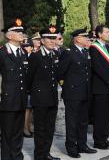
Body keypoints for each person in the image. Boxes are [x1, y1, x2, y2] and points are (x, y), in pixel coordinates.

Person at [57, 28, 97, 158]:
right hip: (73, 93)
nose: (87, 39)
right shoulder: (69, 53)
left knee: (83, 121)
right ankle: (71, 147)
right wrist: (67, 86)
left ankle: (82, 145)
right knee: (72, 122)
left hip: (85, 92)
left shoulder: (85, 52)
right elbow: (60, 73)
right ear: (77, 39)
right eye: (85, 37)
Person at [27, 25, 60, 160]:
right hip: (40, 99)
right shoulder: (36, 56)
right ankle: (39, 156)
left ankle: (46, 153)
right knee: (40, 129)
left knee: (50, 128)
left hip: (52, 97)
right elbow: (29, 78)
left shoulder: (55, 54)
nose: (53, 41)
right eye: (49, 39)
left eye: (54, 38)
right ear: (42, 40)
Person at [0, 18, 28, 160]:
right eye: (17, 31)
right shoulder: (2, 53)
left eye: (22, 31)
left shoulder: (23, 53)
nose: (21, 33)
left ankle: (17, 156)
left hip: (21, 98)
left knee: (18, 131)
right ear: (9, 35)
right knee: (7, 132)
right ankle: (6, 157)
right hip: (8, 99)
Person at [90, 24, 109, 149]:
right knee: (100, 115)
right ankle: (98, 141)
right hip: (101, 87)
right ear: (99, 34)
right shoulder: (94, 48)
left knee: (108, 115)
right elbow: (98, 68)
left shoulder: (108, 48)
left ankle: (105, 138)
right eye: (106, 32)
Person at [21, 38, 34, 138]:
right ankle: (25, 128)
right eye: (24, 46)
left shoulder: (33, 56)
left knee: (30, 108)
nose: (25, 48)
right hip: (23, 87)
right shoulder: (22, 56)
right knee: (26, 109)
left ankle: (28, 126)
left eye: (27, 46)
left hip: (31, 86)